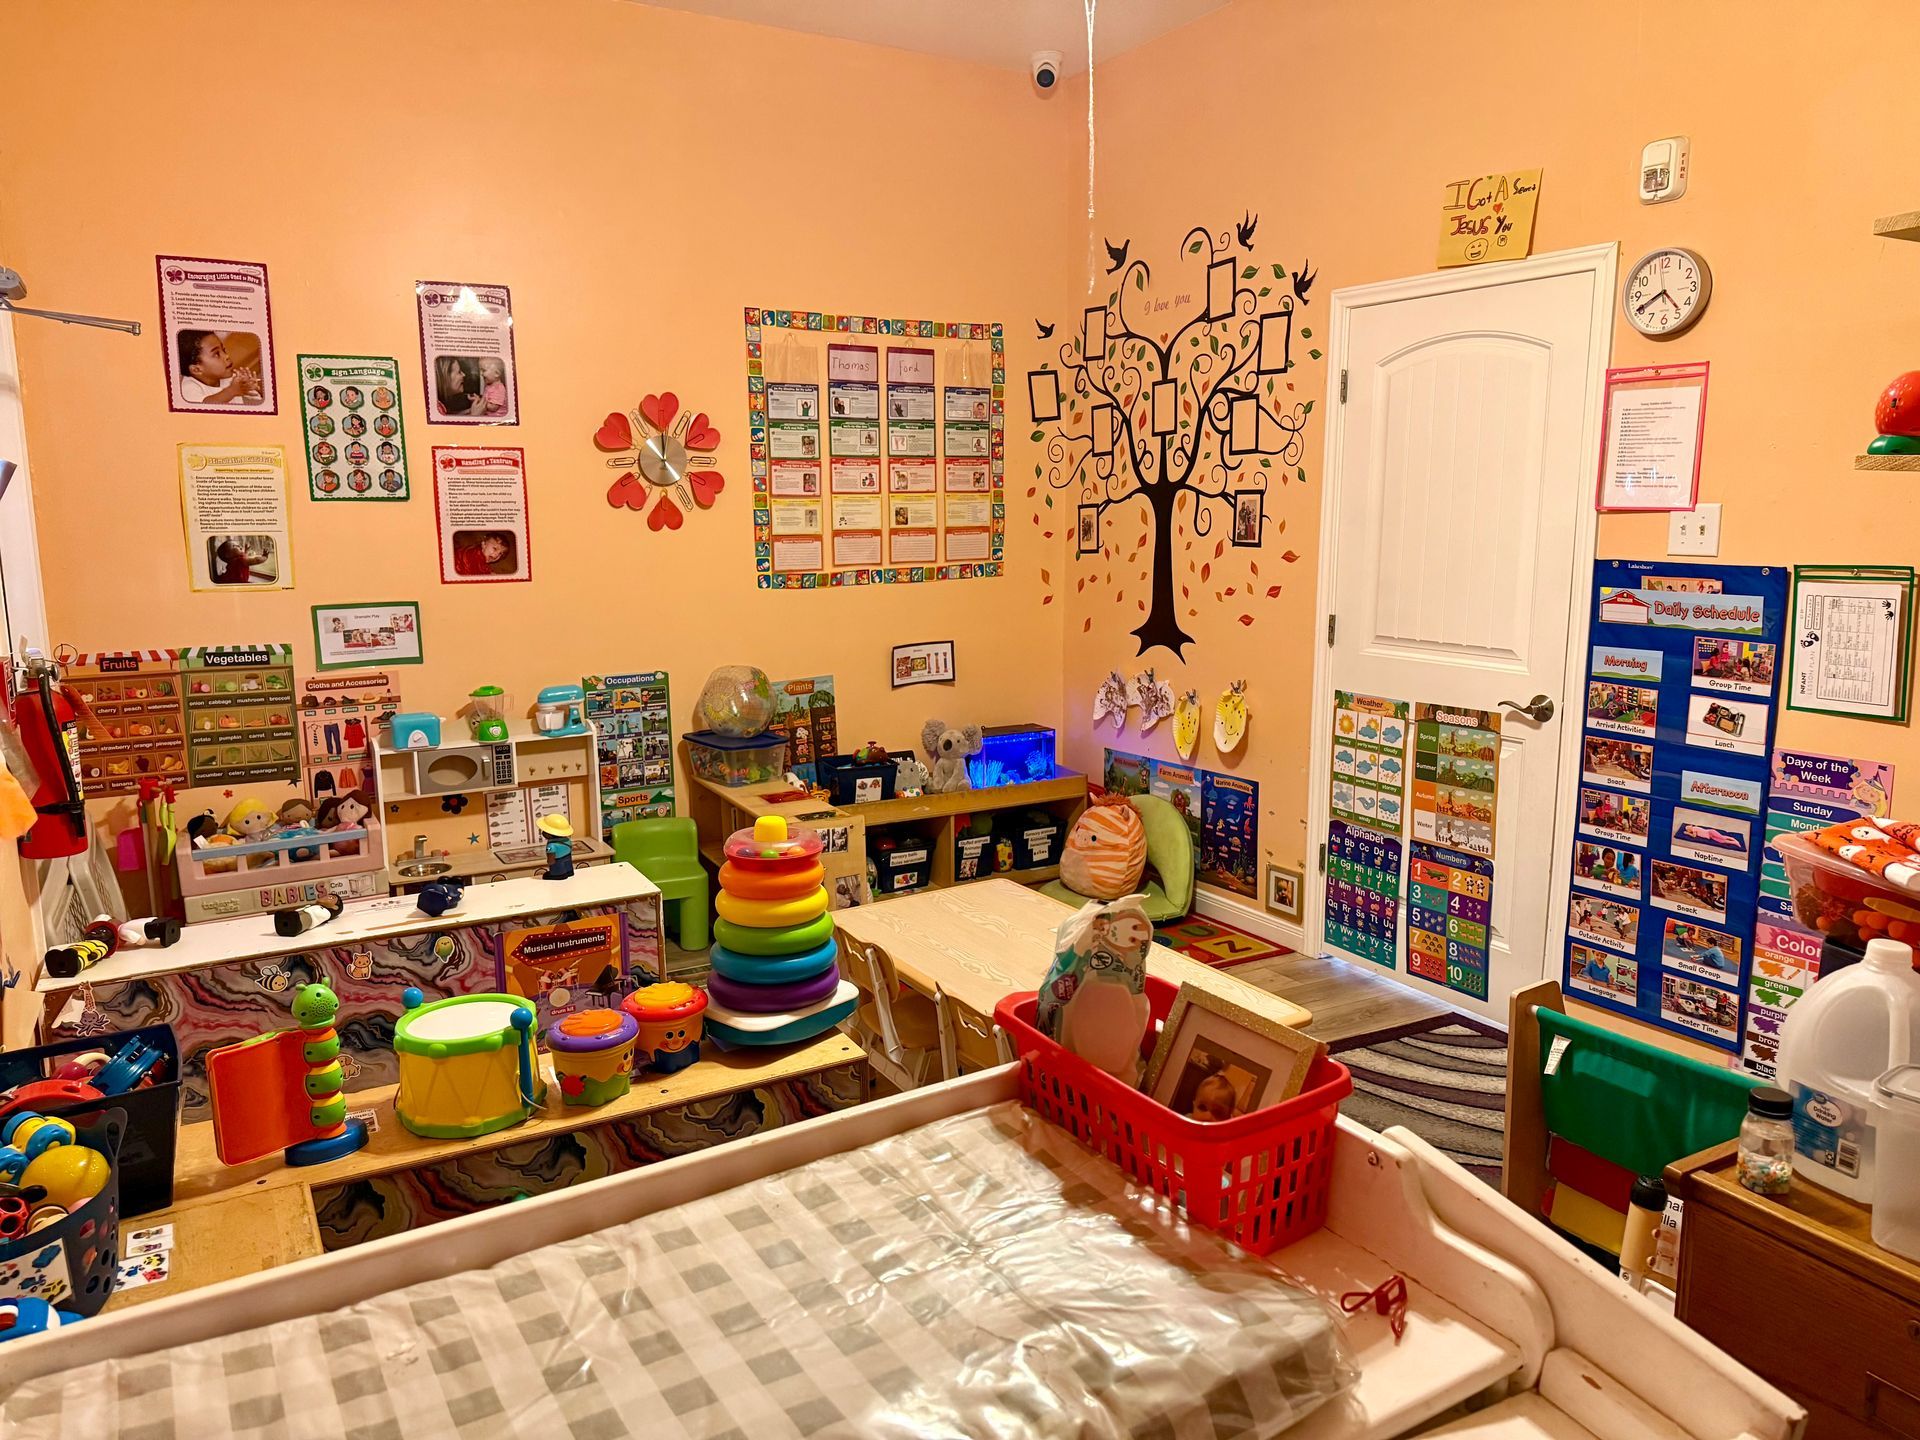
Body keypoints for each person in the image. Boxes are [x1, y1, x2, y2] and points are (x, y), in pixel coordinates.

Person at [178, 330, 262, 405]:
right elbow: (204, 406)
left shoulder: (231, 379)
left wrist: (247, 387)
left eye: (224, 350)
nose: (226, 356)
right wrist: (232, 391)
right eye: (216, 354)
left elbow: (257, 404)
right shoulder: (187, 388)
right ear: (196, 369)